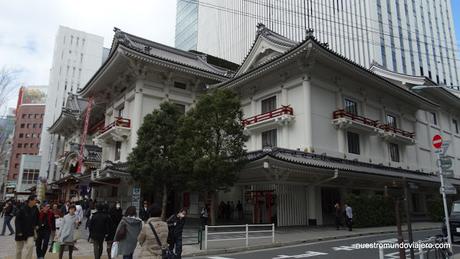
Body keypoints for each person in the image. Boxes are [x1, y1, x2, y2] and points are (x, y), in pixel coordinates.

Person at [15, 195, 39, 259]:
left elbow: (38, 218)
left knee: (31, 246)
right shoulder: (22, 209)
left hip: (30, 231)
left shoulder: (35, 208)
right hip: (21, 232)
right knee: (19, 250)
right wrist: (19, 231)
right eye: (35, 200)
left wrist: (37, 225)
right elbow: (17, 221)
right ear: (30, 200)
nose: (36, 201)